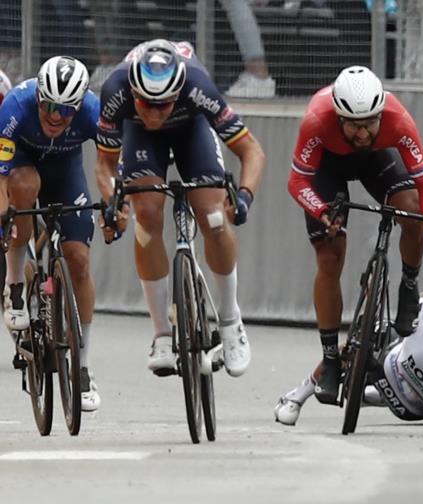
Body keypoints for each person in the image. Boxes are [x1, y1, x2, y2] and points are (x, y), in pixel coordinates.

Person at [95, 39, 266, 378]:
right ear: (133, 91)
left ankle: (230, 319)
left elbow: (252, 151)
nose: (156, 113)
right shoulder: (115, 90)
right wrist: (116, 202)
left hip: (192, 130)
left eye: (164, 105)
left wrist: (244, 196)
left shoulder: (197, 85)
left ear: (177, 94)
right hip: (140, 138)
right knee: (147, 213)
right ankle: (161, 333)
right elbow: (104, 165)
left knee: (215, 218)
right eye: (147, 103)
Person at [286, 65, 423, 405]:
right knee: (330, 255)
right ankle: (331, 359)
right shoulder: (317, 119)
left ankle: (408, 284)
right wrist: (321, 211)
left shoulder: (397, 119)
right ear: (338, 115)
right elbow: (297, 181)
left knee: (411, 210)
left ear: (379, 114)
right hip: (328, 168)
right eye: (354, 125)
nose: (362, 134)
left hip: (377, 161)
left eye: (369, 123)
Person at [274, 260, 423, 425]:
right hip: (411, 412)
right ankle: (372, 395)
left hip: (389, 369)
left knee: (360, 341)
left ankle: (296, 398)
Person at [0, 56, 102, 411]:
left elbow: (107, 162)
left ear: (79, 106)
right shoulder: (15, 106)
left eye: (66, 110)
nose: (56, 116)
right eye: (48, 106)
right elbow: (1, 178)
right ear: (38, 97)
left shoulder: (94, 111)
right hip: (22, 166)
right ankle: (15, 285)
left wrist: (114, 203)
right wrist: (4, 213)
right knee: (23, 190)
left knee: (79, 260)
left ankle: (84, 365)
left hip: (65, 171)